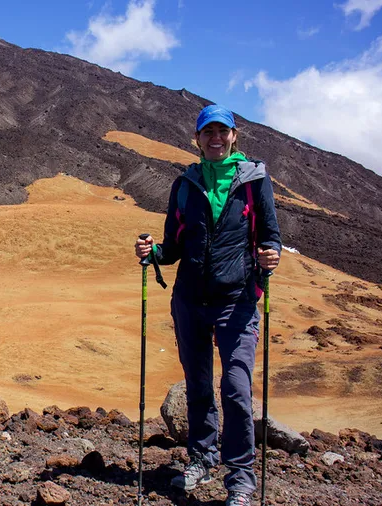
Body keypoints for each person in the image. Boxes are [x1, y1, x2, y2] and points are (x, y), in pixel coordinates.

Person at [134, 104, 281, 506]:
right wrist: (152, 253)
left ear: (234, 136)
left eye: (222, 131)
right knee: (198, 385)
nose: (215, 138)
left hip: (237, 301)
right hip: (190, 300)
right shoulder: (185, 184)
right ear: (197, 139)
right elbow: (173, 247)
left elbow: (270, 235)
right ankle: (202, 457)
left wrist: (271, 256)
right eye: (208, 132)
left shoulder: (254, 180)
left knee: (236, 388)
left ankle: (241, 479)